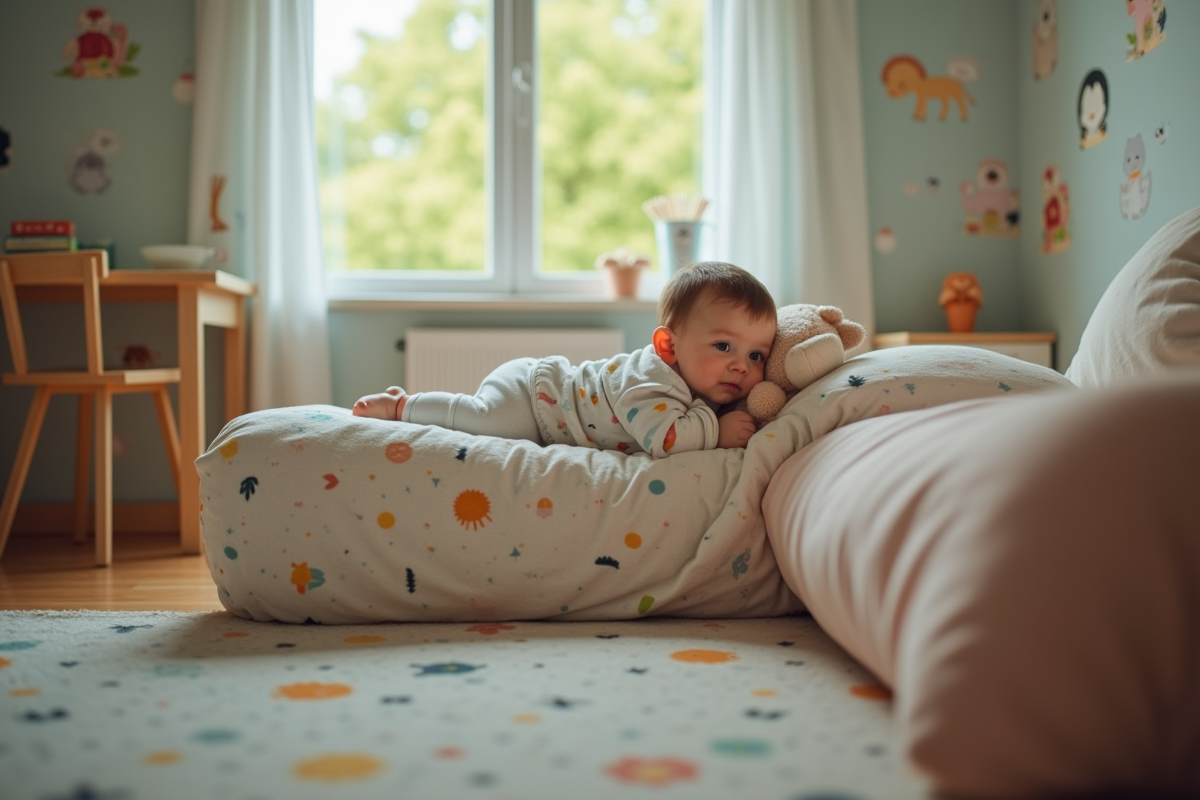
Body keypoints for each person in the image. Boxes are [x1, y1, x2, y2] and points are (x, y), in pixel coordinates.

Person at [352, 261, 776, 456]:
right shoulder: (652, 380)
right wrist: (715, 432)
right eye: (724, 347)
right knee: (482, 420)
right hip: (536, 399)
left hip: (545, 402)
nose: (742, 366)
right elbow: (664, 439)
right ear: (668, 347)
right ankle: (402, 405)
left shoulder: (701, 387)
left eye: (757, 355)